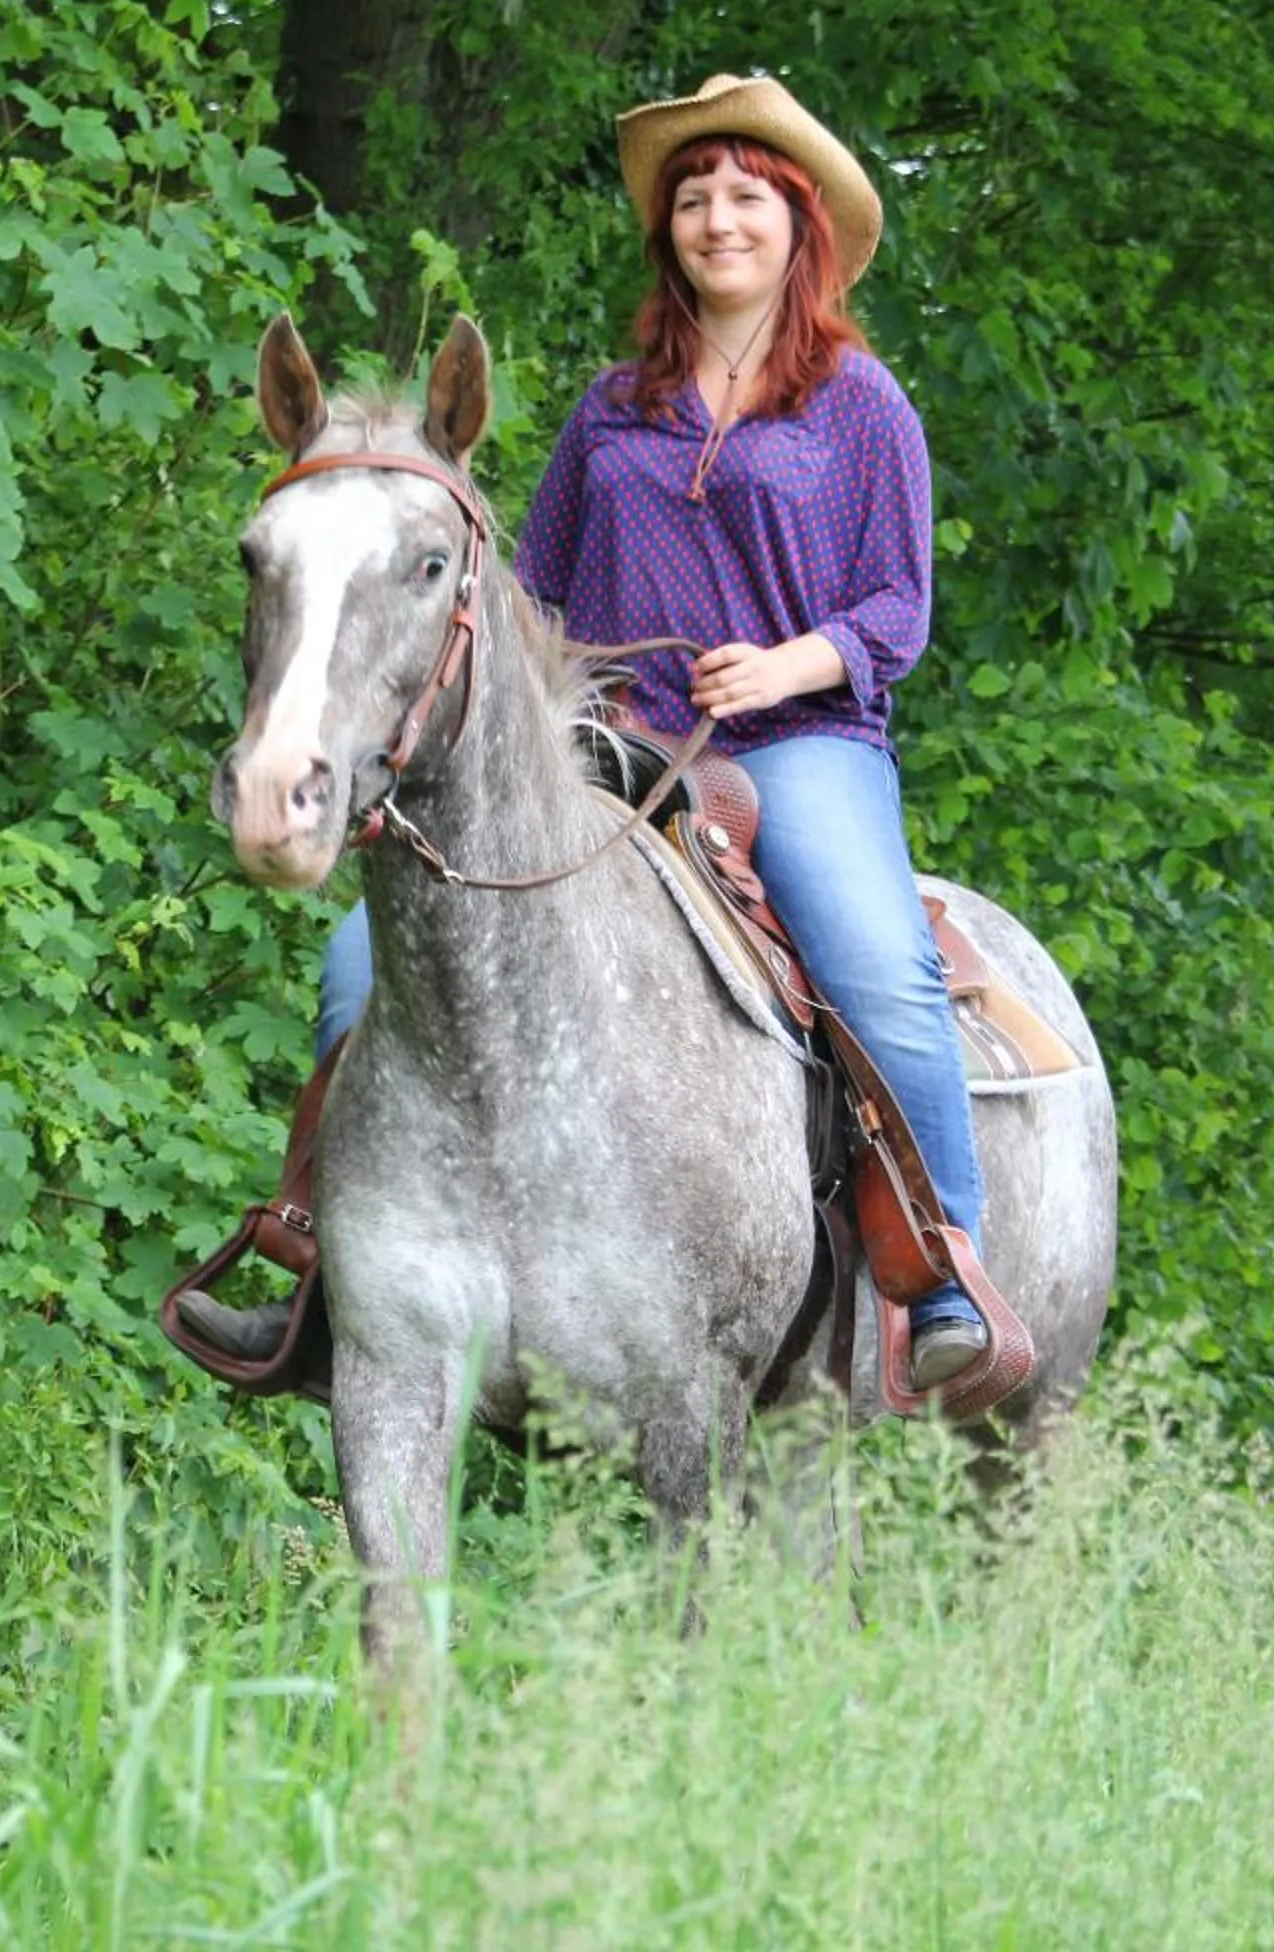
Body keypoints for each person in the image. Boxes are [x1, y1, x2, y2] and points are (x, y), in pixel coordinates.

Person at [181, 73, 993, 1389]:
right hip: (606, 751)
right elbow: (527, 590)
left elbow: (899, 603)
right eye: (692, 197)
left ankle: (943, 1267)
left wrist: (787, 665)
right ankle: (324, 1269)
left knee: (875, 962)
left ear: (798, 225)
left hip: (795, 746)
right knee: (355, 962)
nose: (716, 218)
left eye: (745, 195)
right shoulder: (616, 408)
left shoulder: (858, 404)